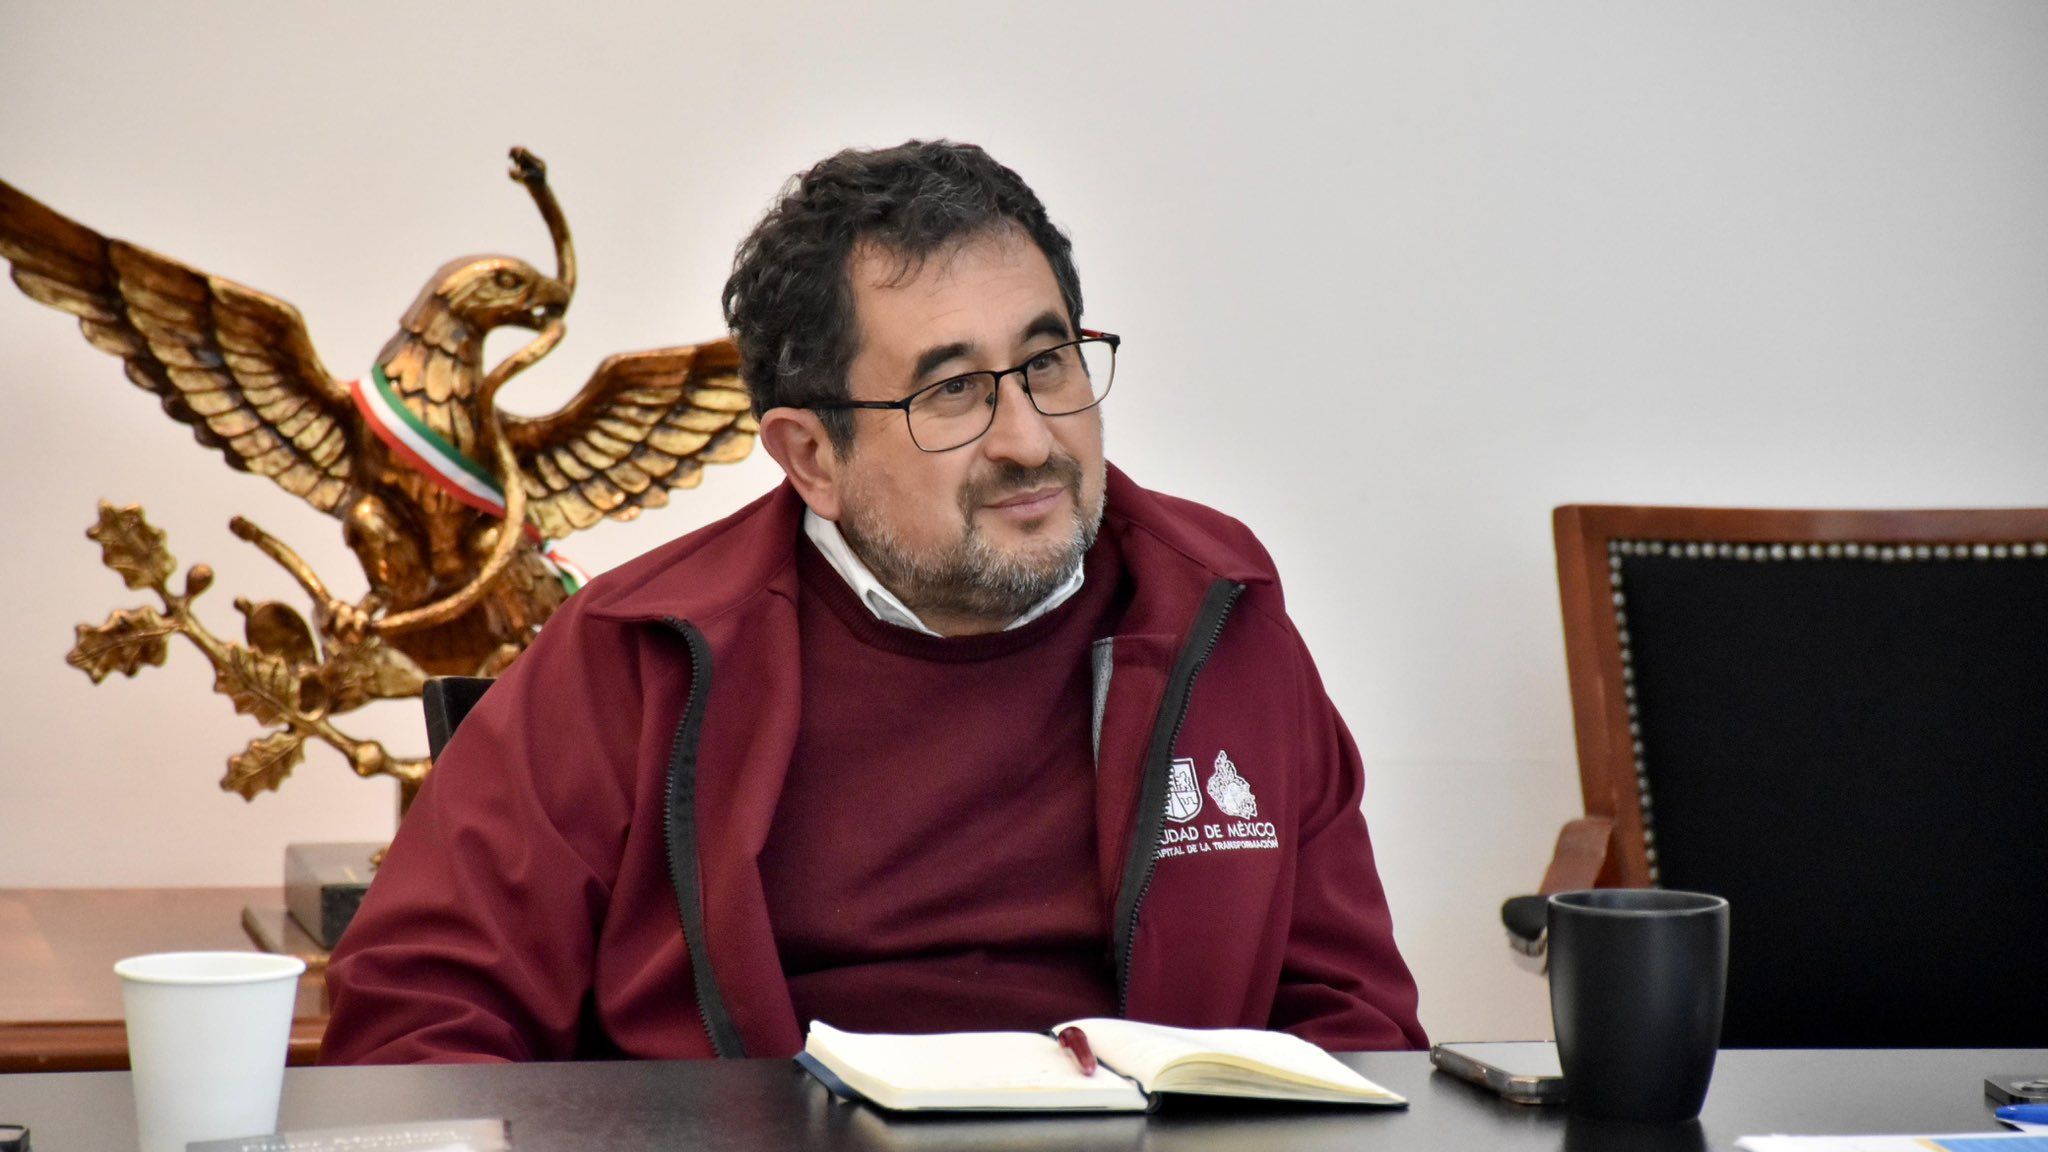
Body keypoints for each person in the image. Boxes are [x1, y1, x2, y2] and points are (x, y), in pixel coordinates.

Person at [320, 140, 1425, 1063]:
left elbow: (1357, 1030)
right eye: (953, 391)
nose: (1028, 440)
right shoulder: (638, 655)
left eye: (1048, 365)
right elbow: (417, 1026)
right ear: (811, 456)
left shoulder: (1218, 615)